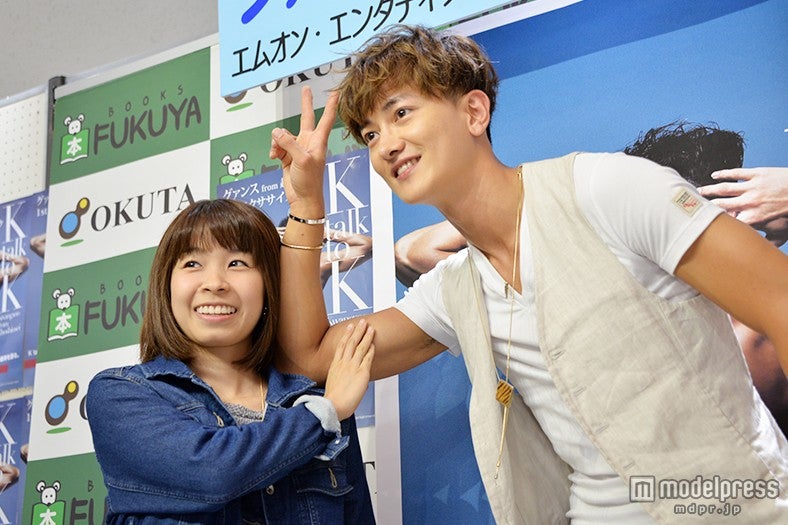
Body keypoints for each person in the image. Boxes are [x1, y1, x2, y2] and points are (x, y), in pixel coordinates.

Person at [270, 25, 788, 524]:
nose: (385, 145)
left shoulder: (604, 188)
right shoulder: (453, 288)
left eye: (401, 113)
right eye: (370, 134)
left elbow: (779, 299)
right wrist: (307, 205)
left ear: (474, 112)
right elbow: (310, 356)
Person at [86, 199, 376, 524]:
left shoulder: (314, 399)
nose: (215, 283)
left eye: (237, 263)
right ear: (166, 285)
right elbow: (210, 473)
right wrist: (323, 415)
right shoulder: (121, 393)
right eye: (192, 263)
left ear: (269, 283)